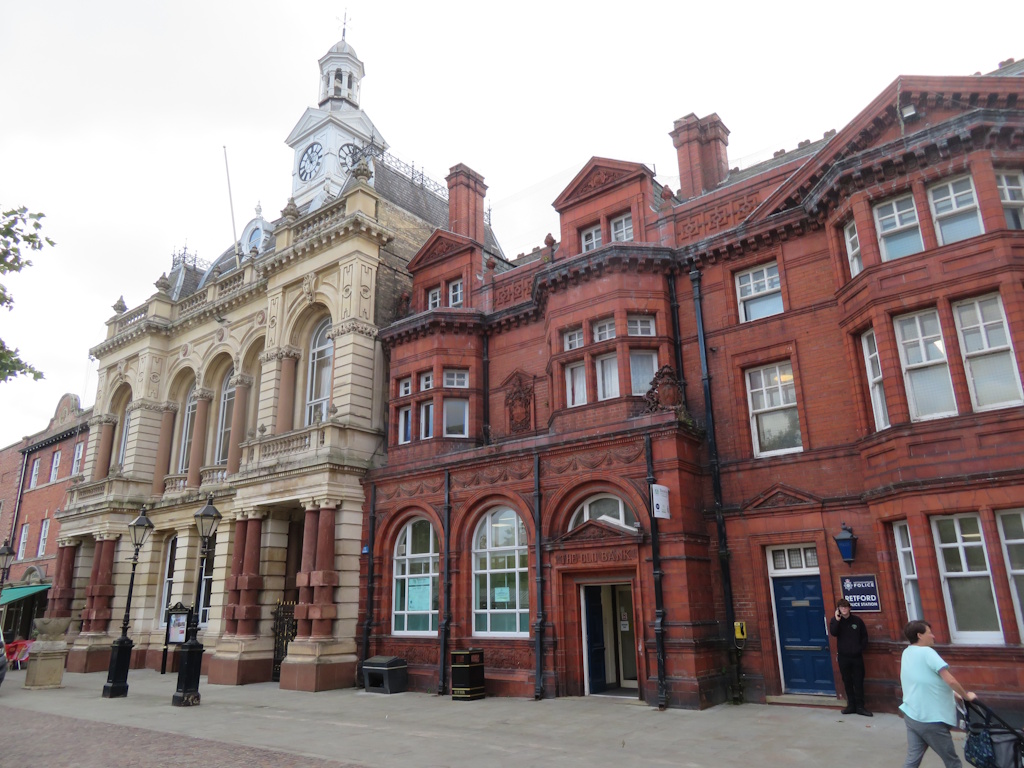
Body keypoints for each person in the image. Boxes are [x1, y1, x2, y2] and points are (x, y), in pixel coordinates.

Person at [900, 620, 976, 768]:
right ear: (920, 635)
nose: (933, 636)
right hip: (931, 720)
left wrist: (953, 693)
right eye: (930, 633)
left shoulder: (907, 652)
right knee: (952, 761)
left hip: (912, 715)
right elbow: (950, 680)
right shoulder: (927, 652)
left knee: (913, 759)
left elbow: (924, 680)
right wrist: (967, 696)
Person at [829, 598, 870, 716]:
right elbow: (833, 633)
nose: (844, 609)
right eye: (841, 608)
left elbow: (864, 636)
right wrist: (837, 620)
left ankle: (860, 707)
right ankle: (851, 705)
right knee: (847, 681)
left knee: (858, 681)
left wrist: (860, 648)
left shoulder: (857, 621)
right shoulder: (835, 621)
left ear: (849, 608)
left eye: (845, 607)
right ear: (838, 609)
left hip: (856, 657)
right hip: (843, 657)